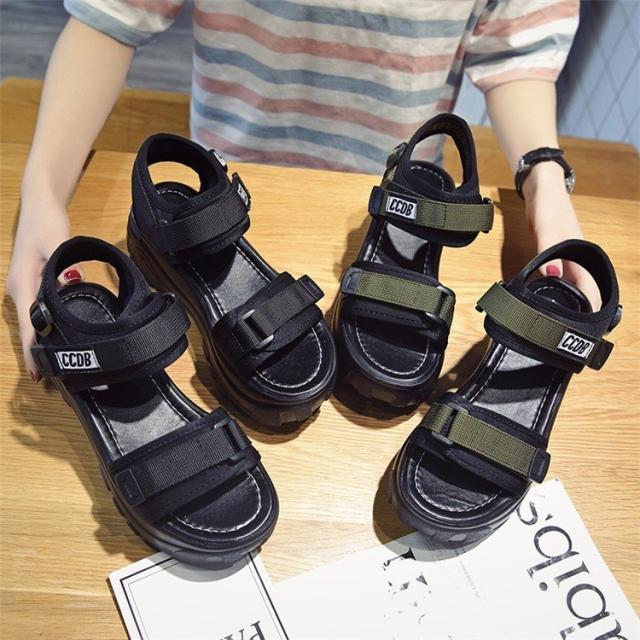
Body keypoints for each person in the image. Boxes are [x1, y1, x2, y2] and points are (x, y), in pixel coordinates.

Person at [8, 0, 595, 382]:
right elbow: (110, 17)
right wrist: (41, 196)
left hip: (404, 198)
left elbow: (518, 50)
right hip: (222, 190)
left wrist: (546, 186)